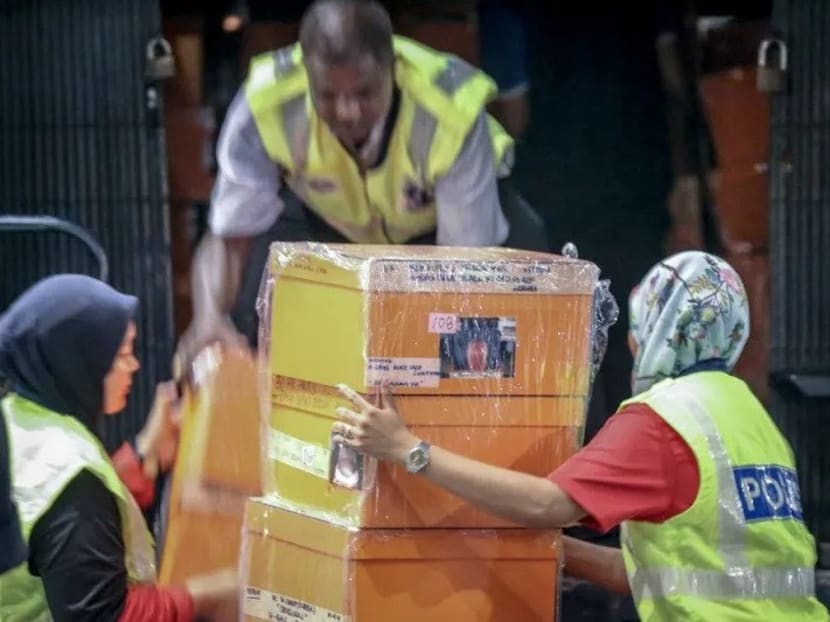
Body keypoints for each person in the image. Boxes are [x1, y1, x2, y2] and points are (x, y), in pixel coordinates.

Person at [332, 251, 830, 621]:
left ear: (652, 331)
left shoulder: (665, 420)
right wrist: (521, 549)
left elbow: (548, 505)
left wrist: (408, 450)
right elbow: (648, 574)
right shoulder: (750, 416)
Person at [174, 0, 548, 374]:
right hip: (330, 219)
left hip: (452, 233)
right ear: (307, 76)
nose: (347, 112)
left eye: (364, 93)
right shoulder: (264, 104)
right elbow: (228, 237)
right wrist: (208, 318)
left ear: (392, 68)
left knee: (495, 341)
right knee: (252, 302)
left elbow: (463, 275)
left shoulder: (449, 111)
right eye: (328, 96)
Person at [0, 274, 237, 621]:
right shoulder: (72, 482)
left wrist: (145, 457)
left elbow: (73, 535)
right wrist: (209, 595)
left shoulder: (19, 413)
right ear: (76, 362)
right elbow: (105, 616)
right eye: (123, 354)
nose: (134, 365)